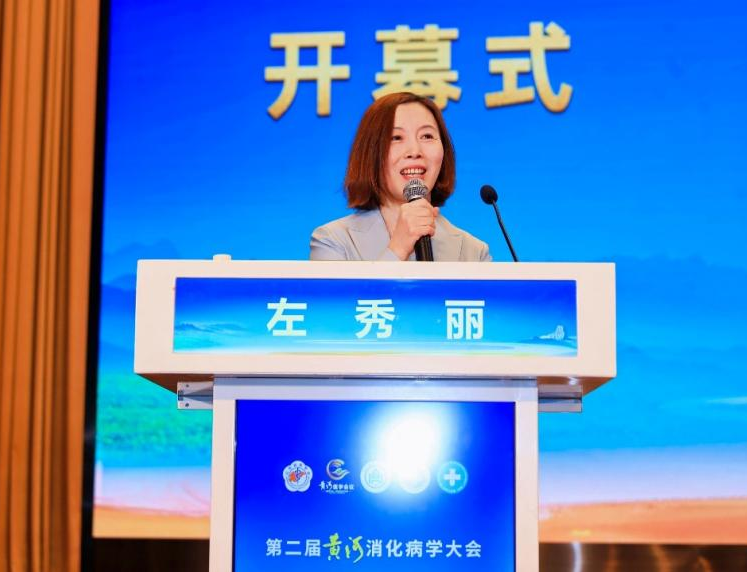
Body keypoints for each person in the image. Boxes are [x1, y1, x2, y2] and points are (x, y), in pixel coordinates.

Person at [309, 92, 491, 262]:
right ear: (370, 153)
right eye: (396, 138)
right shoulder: (333, 241)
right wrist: (398, 248)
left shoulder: (474, 252)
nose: (414, 151)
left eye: (427, 136)